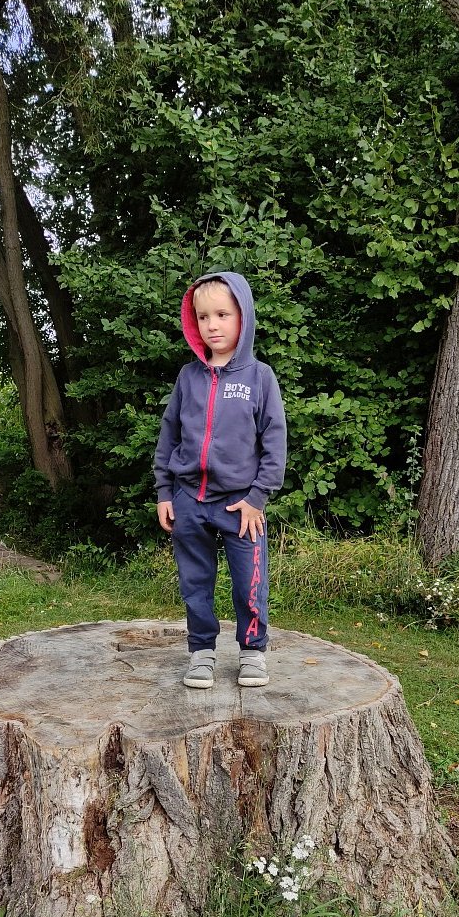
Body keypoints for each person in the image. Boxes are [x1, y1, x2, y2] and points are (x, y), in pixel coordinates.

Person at [154, 270, 287, 689]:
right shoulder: (188, 377)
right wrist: (164, 492)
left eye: (222, 315)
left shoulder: (260, 377)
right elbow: (169, 435)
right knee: (195, 582)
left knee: (250, 582)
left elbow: (275, 443)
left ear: (243, 316)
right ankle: (201, 653)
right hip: (188, 499)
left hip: (241, 505)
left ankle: (252, 652)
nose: (212, 325)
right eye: (203, 316)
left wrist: (258, 497)